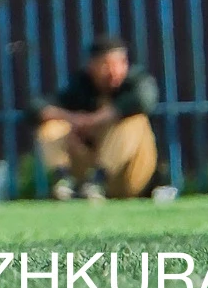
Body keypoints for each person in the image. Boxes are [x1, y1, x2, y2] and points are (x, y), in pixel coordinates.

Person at [35, 33, 164, 200]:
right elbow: (37, 107)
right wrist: (73, 119)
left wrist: (95, 120)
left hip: (132, 175)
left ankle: (99, 179)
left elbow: (144, 99)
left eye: (120, 63)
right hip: (87, 168)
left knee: (134, 120)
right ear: (91, 66)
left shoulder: (136, 81)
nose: (114, 71)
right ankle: (63, 181)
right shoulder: (81, 87)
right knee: (51, 125)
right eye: (106, 64)